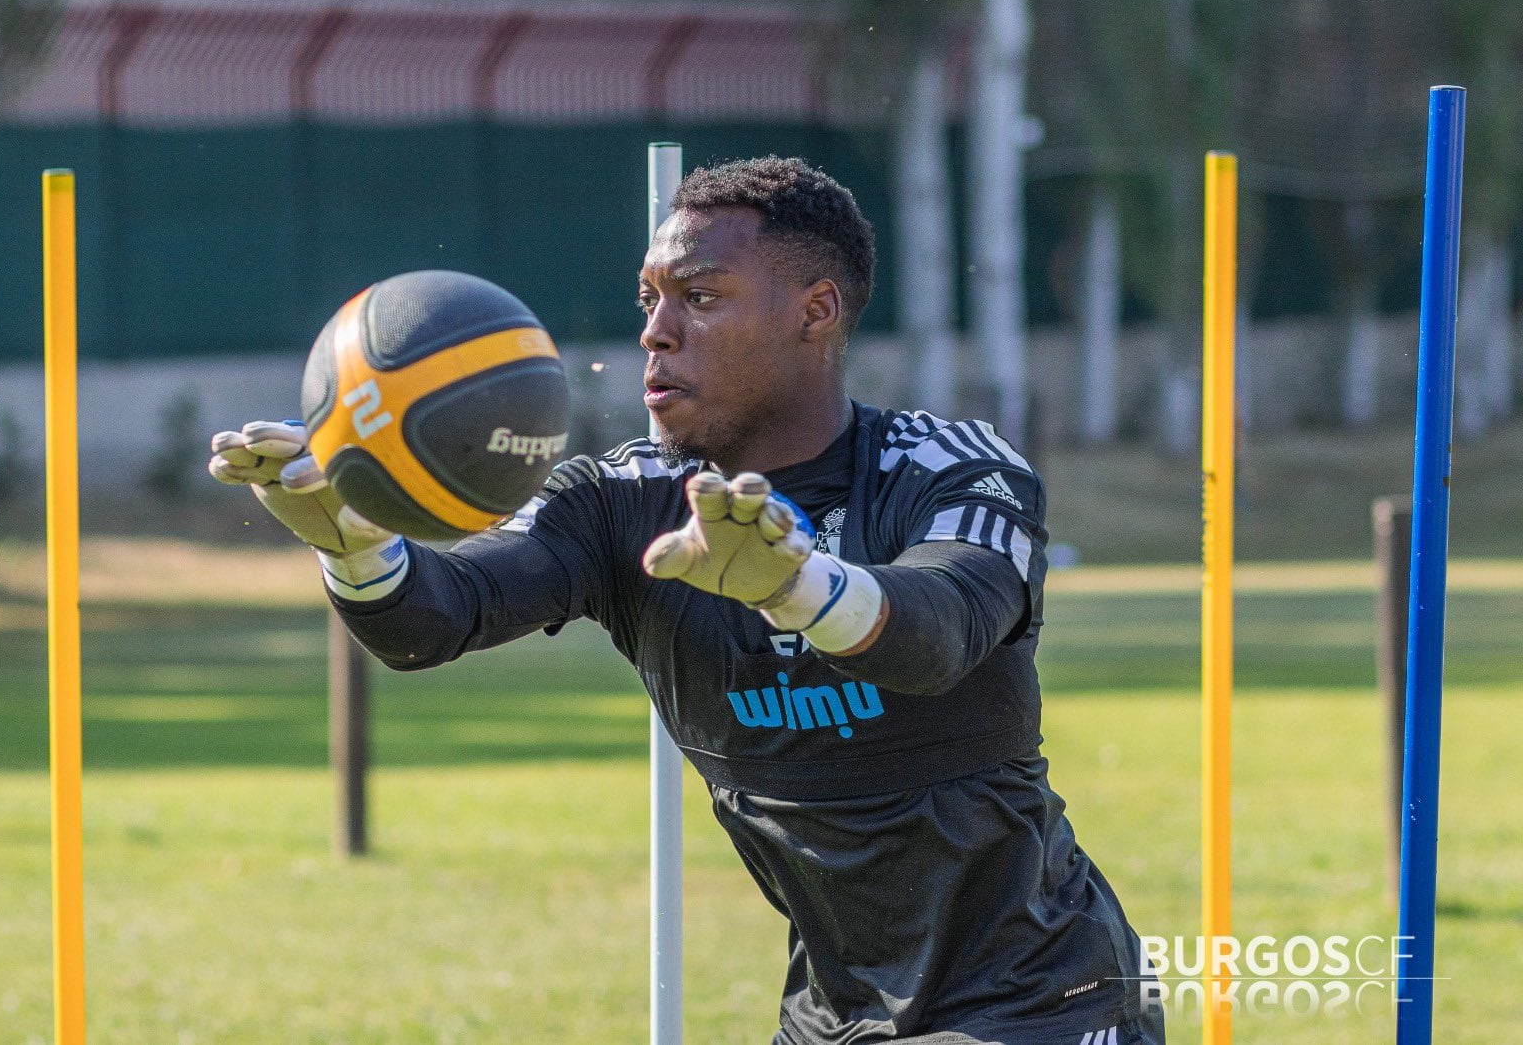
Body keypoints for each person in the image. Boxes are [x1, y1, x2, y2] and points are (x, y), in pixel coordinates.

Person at [210, 156, 1165, 1045]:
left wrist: (797, 588)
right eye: (650, 299)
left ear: (816, 312)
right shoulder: (619, 504)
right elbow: (439, 615)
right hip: (834, 1014)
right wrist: (357, 543)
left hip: (1045, 1001)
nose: (655, 332)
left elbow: (936, 630)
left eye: (700, 298)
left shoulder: (950, 469)